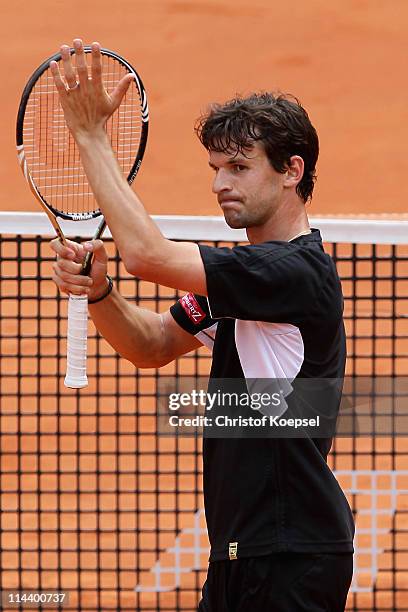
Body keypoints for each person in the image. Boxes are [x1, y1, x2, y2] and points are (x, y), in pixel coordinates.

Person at [50, 39, 355, 611]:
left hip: (291, 552)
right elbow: (153, 344)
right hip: (242, 551)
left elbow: (145, 254)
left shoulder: (295, 273)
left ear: (292, 171)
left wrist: (91, 137)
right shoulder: (247, 280)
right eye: (216, 168)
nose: (220, 185)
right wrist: (100, 293)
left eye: (239, 167)